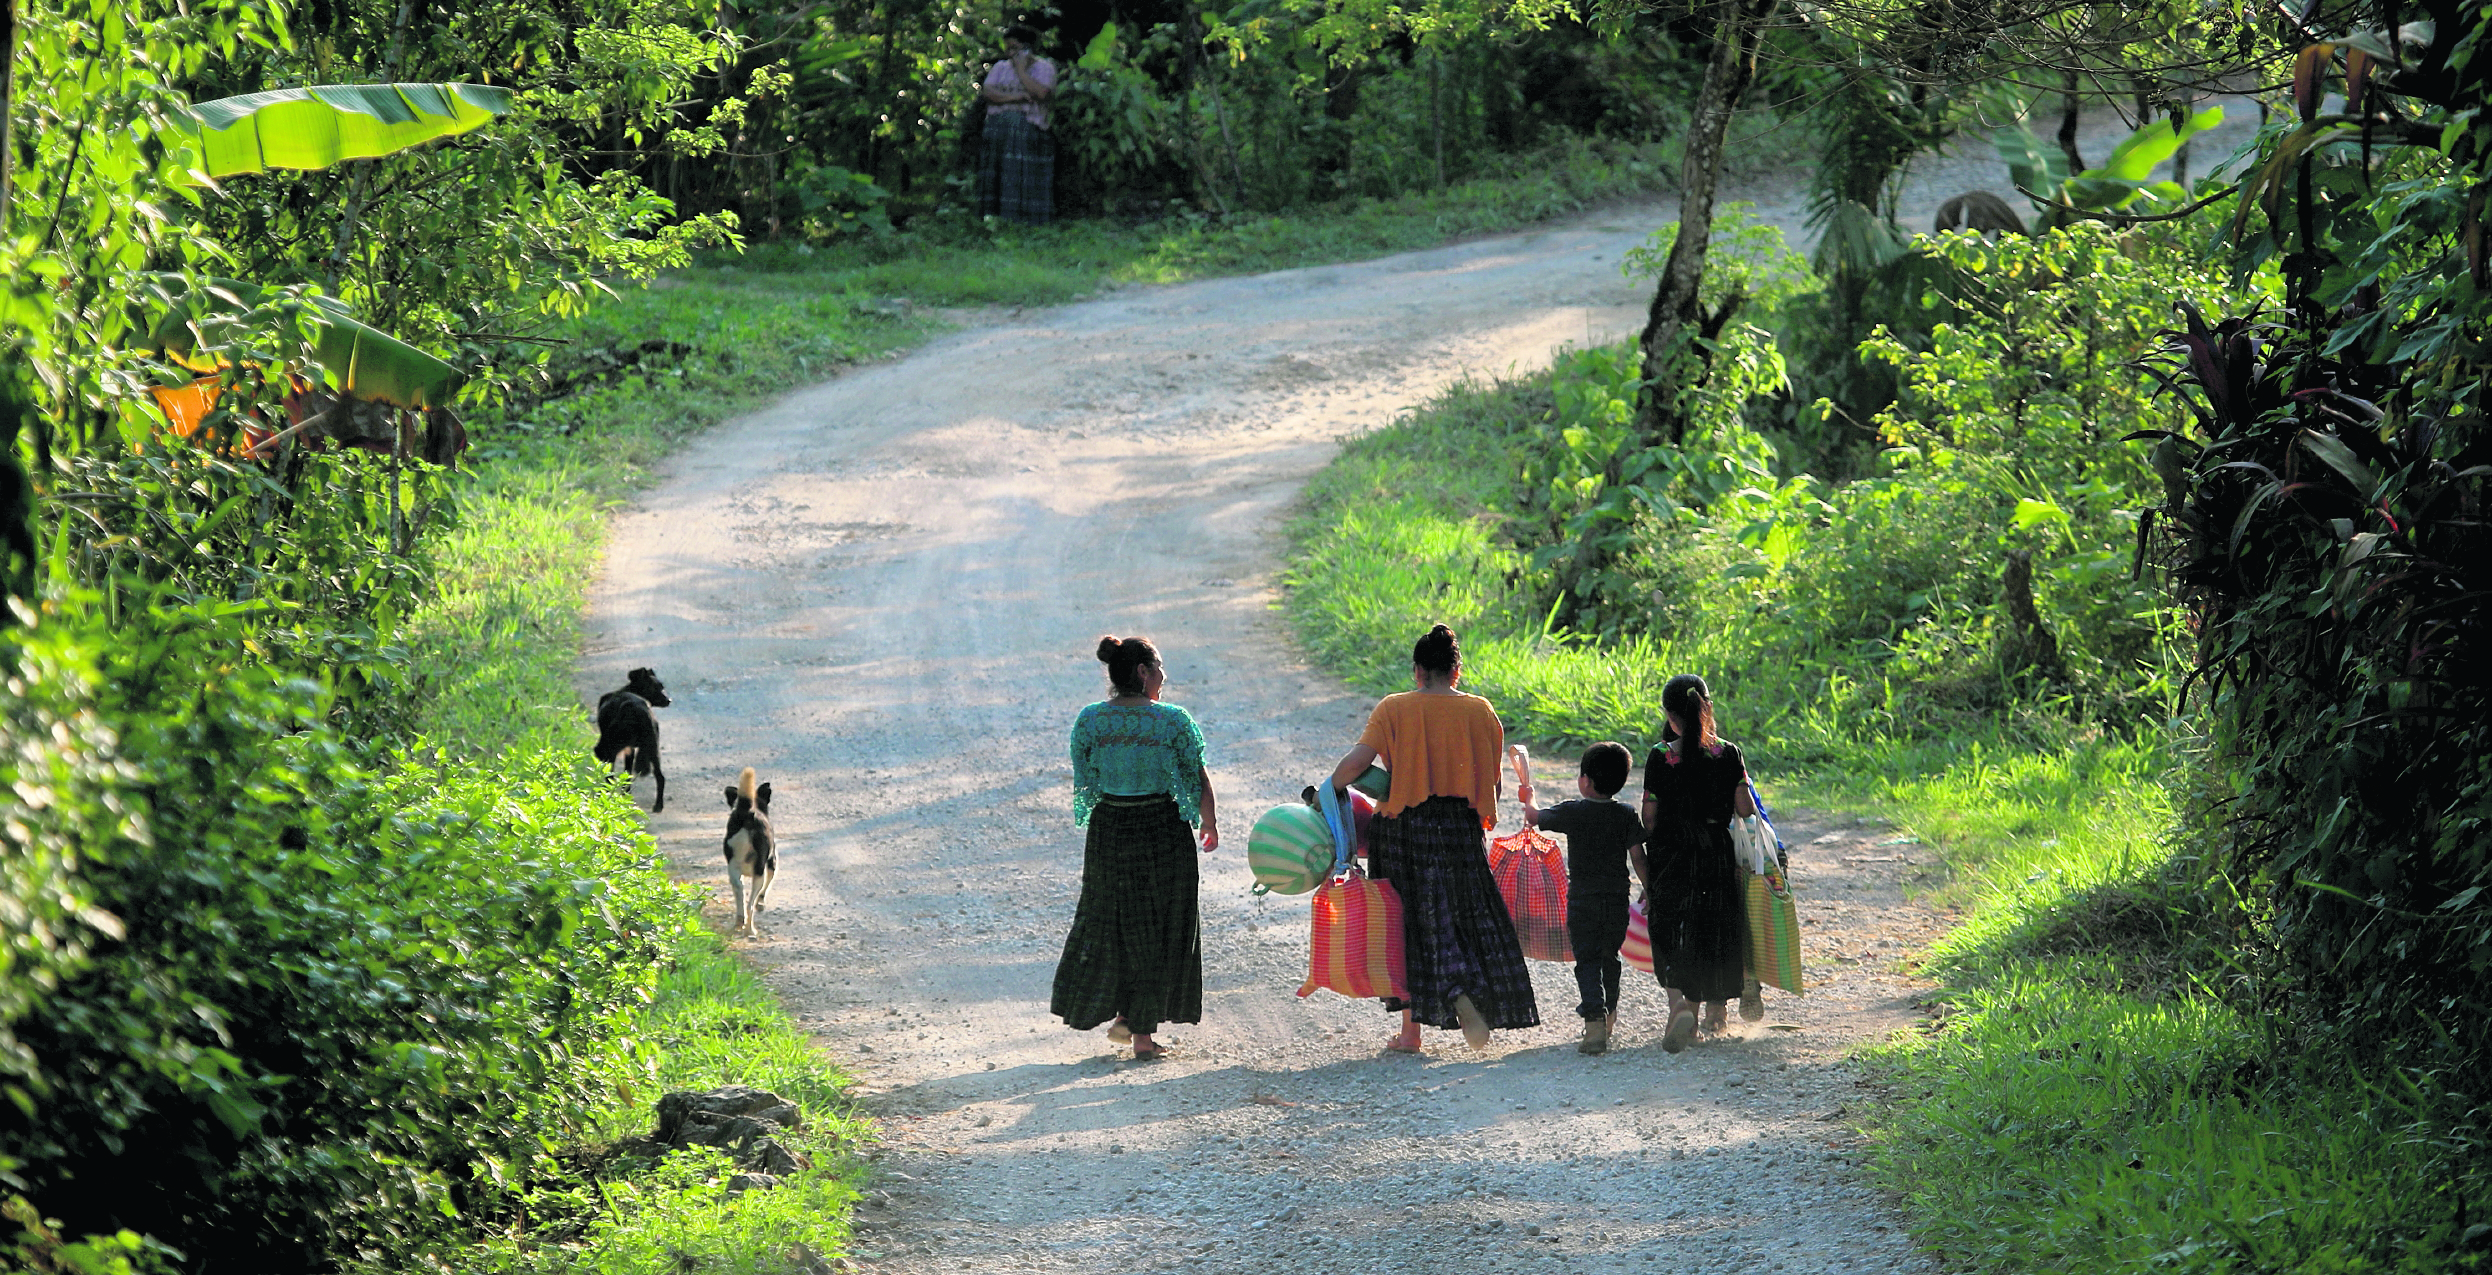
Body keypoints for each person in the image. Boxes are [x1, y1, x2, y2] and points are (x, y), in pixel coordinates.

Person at [1327, 623, 1538, 1053]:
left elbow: (1356, 763)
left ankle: (1411, 1033)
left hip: (1402, 830)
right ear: (1456, 672)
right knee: (1464, 915)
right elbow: (1492, 785)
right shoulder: (1481, 711)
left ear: (1418, 671)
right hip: (1459, 827)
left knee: (1406, 924)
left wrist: (1330, 789)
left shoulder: (1394, 708)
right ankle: (1465, 988)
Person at [1051, 635, 1219, 1061]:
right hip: (1162, 828)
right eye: (1159, 667)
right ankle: (1141, 1034)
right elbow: (1197, 777)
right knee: (1162, 924)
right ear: (1143, 672)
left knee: (1115, 921)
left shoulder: (1091, 720)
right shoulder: (1173, 720)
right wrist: (1210, 823)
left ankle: (1127, 1016)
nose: (1164, 675)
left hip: (1110, 829)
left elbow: (1087, 773)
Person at [1640, 673, 1756, 1054]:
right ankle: (1707, 1014)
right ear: (1708, 708)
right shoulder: (1729, 753)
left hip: (1672, 854)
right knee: (1710, 926)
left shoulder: (1660, 756)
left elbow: (1649, 817)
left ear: (1670, 717)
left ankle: (1681, 1006)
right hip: (1716, 852)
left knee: (1670, 927)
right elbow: (1745, 809)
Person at [1514, 741, 1646, 1056]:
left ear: (1585, 781)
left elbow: (1533, 816)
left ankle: (1594, 1021)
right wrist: (1649, 887)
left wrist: (1528, 795)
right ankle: (1609, 1015)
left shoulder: (1573, 811)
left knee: (1587, 960)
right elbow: (1638, 856)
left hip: (1583, 901)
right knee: (1610, 957)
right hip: (1616, 900)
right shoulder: (1626, 814)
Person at [977, 25, 1056, 225]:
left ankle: (1022, 216)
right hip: (999, 124)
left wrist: (1021, 71)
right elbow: (989, 93)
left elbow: (1042, 94)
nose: (1010, 53)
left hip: (1029, 125)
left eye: (1015, 48)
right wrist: (1016, 97)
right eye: (1008, 49)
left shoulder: (1044, 68)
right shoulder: (1000, 68)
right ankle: (993, 215)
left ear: (1027, 48)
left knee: (1015, 126)